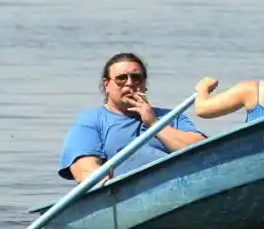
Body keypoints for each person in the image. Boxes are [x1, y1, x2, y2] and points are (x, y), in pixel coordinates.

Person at [58, 52, 207, 184]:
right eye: (121, 78)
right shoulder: (91, 121)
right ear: (106, 85)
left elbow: (204, 152)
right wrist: (99, 178)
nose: (129, 83)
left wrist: (154, 123)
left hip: (179, 185)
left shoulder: (172, 117)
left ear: (144, 84)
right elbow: (84, 169)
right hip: (121, 194)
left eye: (136, 78)